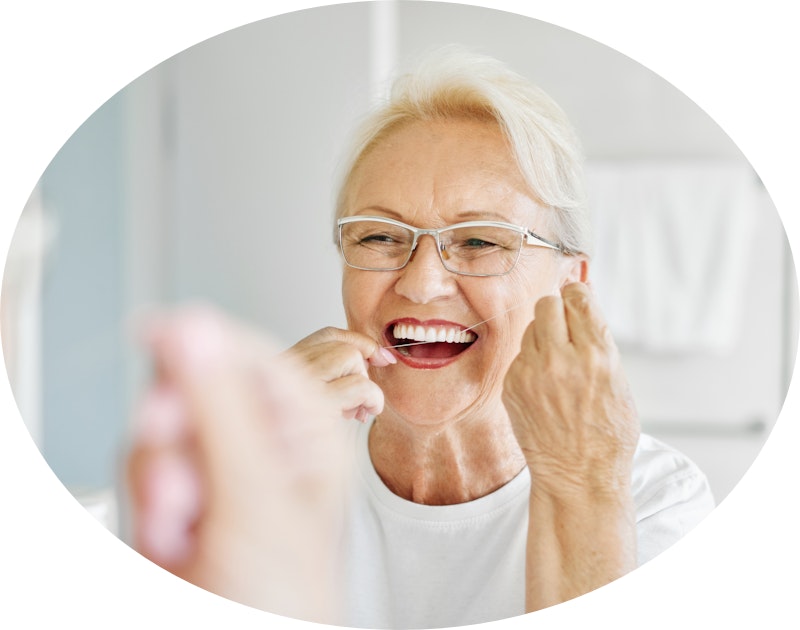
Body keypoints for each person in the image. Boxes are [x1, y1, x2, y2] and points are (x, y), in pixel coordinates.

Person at [126, 47, 715, 628]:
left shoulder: (656, 503)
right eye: (380, 237)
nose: (421, 283)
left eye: (481, 241)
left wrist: (582, 481)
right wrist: (238, 482)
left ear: (571, 287)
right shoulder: (276, 465)